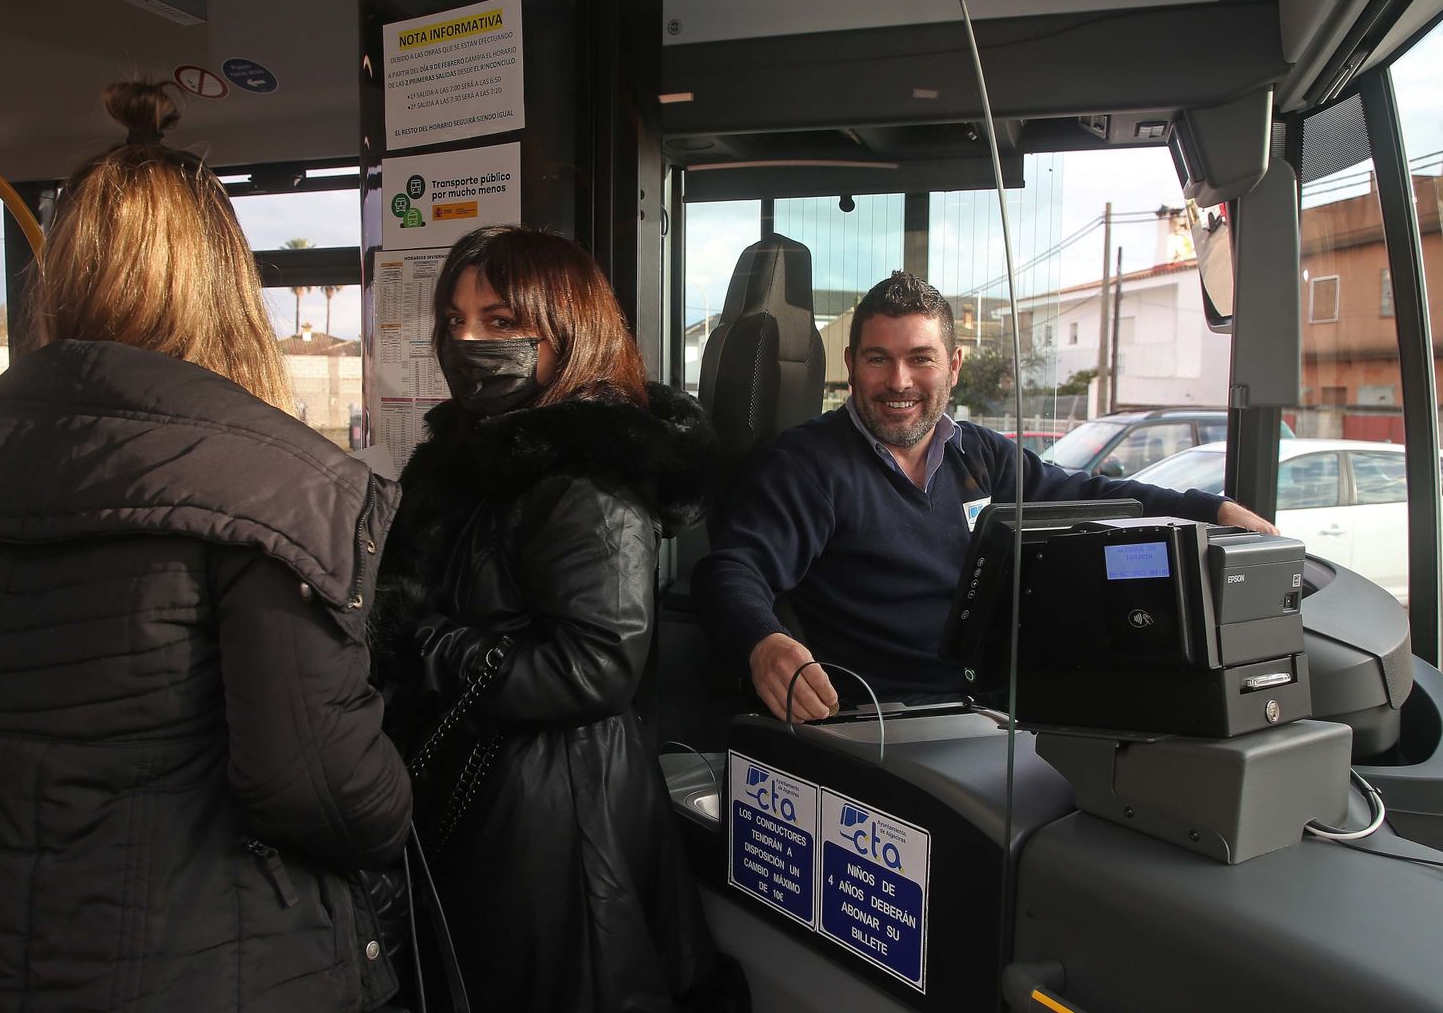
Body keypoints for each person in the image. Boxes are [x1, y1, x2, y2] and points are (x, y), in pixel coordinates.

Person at [0, 81, 411, 1011]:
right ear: (227, 283)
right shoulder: (276, 485)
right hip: (180, 967)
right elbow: (318, 787)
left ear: (63, 274)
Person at [372, 225, 741, 1012]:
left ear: (568, 328)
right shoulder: (486, 462)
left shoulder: (583, 476)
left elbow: (596, 664)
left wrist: (422, 642)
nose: (467, 339)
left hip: (553, 825)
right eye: (454, 319)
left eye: (501, 321)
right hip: (494, 799)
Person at [693, 270, 1278, 722]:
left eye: (919, 359)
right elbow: (731, 570)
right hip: (893, 726)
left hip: (1004, 709)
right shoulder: (804, 468)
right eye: (878, 359)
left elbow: (1088, 495)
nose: (899, 382)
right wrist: (762, 642)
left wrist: (1213, 511)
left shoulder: (980, 454)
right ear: (851, 365)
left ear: (953, 365)